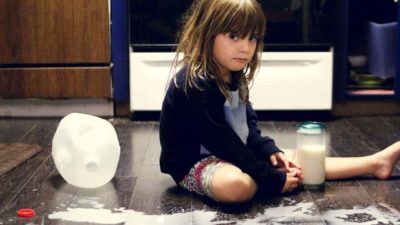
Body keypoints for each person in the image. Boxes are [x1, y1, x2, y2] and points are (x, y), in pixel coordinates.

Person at [159, 0, 400, 204]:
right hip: (194, 163)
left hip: (232, 153)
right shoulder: (195, 83)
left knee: (291, 160)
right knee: (235, 185)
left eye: (252, 38)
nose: (245, 47)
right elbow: (223, 143)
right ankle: (265, 176)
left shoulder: (232, 73)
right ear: (207, 33)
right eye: (234, 36)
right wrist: (271, 178)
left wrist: (268, 150)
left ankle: (374, 163)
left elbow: (247, 127)